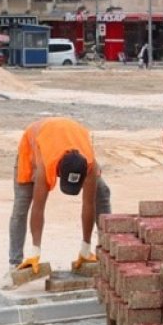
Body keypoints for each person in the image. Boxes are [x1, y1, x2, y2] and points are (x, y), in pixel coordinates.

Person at [9, 117, 112, 275]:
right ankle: (14, 263)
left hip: (69, 135)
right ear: (58, 171)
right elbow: (38, 207)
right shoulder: (45, 165)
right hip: (33, 147)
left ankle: (107, 253)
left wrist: (85, 247)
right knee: (22, 205)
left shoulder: (90, 164)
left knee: (102, 192)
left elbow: (88, 204)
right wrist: (35, 252)